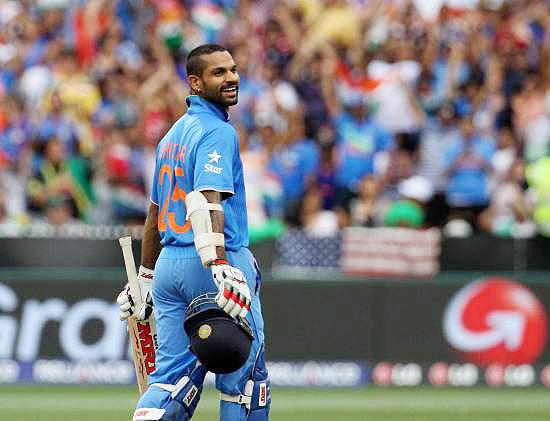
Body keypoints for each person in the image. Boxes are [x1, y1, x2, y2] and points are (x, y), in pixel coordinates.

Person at [116, 44, 270, 421]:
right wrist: (218, 264)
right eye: (219, 72)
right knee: (245, 384)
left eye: (233, 69)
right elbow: (207, 199)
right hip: (214, 261)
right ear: (195, 83)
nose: (231, 77)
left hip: (169, 265)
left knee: (170, 382)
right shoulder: (217, 132)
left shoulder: (170, 137)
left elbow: (155, 215)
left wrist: (147, 277)